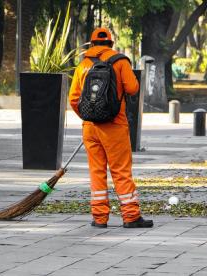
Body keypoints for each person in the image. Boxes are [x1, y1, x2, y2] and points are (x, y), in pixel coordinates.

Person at [69, 27, 153, 228]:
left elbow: (73, 99)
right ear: (111, 44)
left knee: (96, 172)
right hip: (114, 126)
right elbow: (133, 88)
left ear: (91, 44)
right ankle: (131, 216)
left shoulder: (83, 65)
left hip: (90, 128)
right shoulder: (120, 61)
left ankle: (99, 218)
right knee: (121, 171)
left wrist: (91, 116)